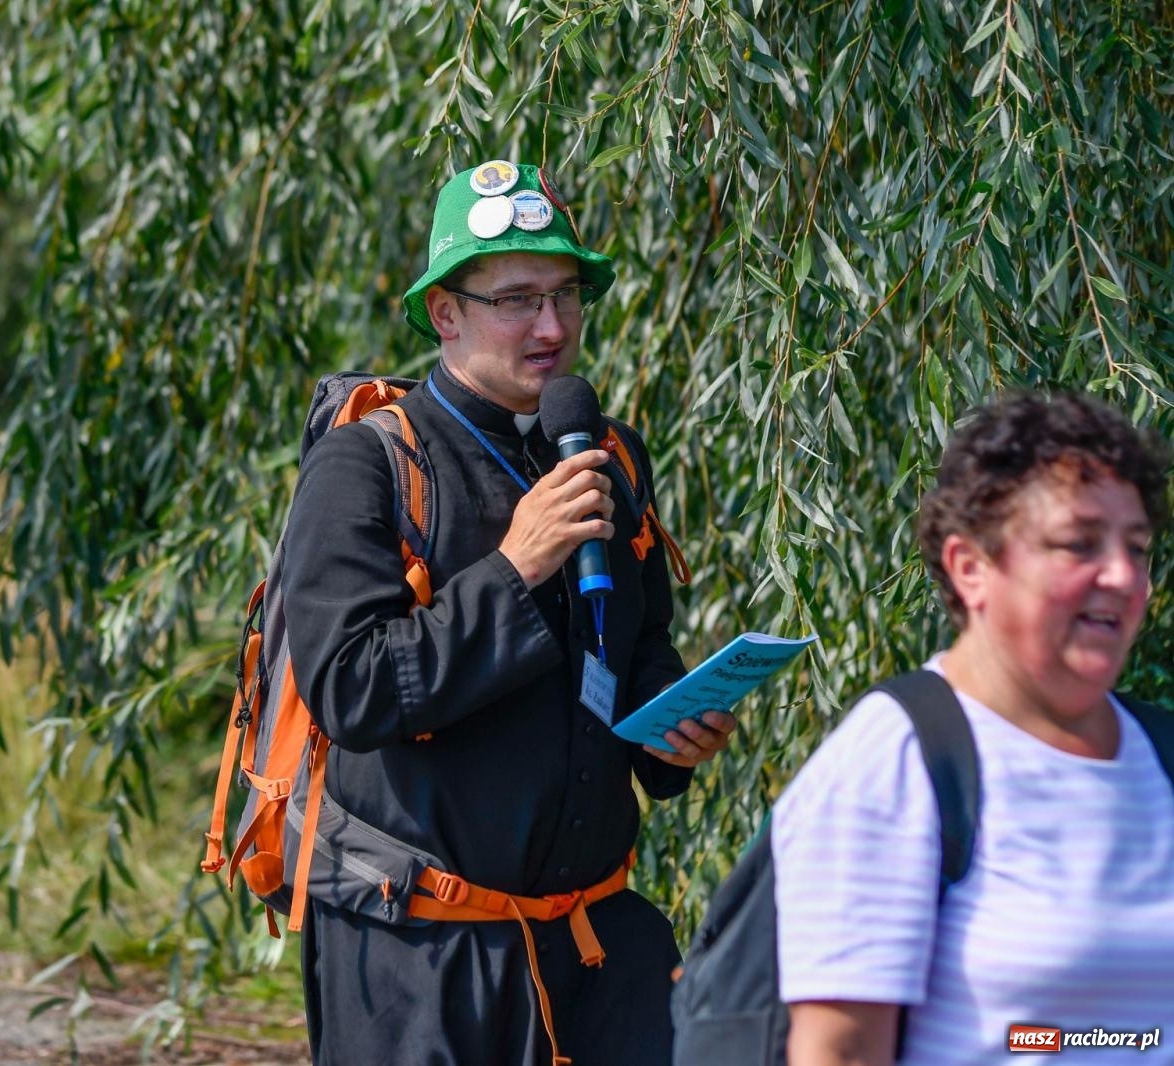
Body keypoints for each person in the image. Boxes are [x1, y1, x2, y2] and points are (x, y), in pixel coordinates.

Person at [279, 159, 736, 1066]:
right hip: (419, 959)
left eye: (567, 295)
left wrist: (672, 720)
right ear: (445, 314)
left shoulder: (608, 452)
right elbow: (351, 691)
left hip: (598, 946)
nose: (554, 327)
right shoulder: (365, 466)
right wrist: (515, 568)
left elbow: (635, 643)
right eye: (518, 299)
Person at [773, 391, 1174, 1064]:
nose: (1123, 575)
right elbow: (838, 1052)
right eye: (1079, 543)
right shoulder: (898, 763)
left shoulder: (1158, 754)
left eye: (1137, 548)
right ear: (971, 568)